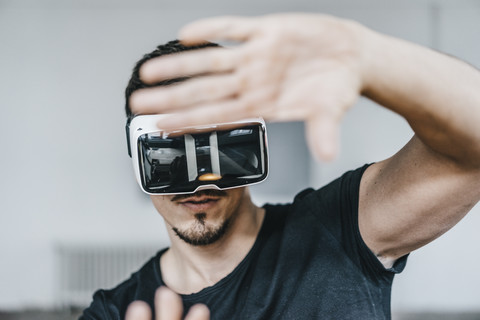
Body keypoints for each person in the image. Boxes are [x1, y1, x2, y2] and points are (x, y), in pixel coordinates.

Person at [81, 13, 480, 320]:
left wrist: (370, 57)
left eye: (219, 148)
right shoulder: (115, 312)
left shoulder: (341, 229)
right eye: (169, 154)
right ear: (139, 156)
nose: (198, 180)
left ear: (254, 143)